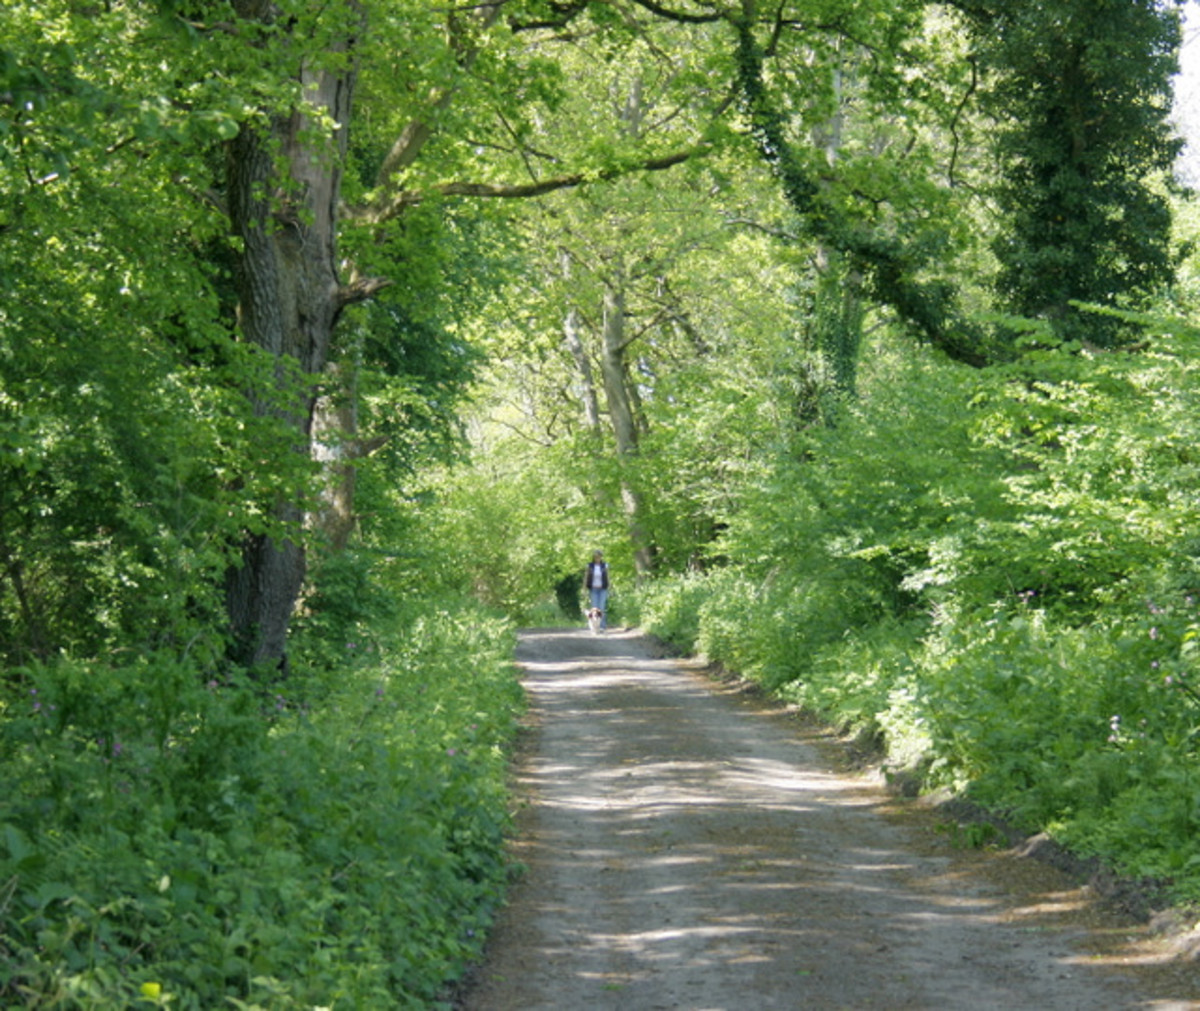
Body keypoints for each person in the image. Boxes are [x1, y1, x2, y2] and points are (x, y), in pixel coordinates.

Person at [583, 550, 609, 630]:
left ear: (601, 557)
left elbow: (608, 577)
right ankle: (594, 625)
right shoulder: (589, 566)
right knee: (594, 608)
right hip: (593, 589)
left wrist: (610, 587)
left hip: (603, 589)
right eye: (596, 557)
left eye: (599, 556)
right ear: (593, 557)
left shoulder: (605, 566)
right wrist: (584, 588)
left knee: (601, 607)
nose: (597, 558)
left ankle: (602, 626)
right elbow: (586, 577)